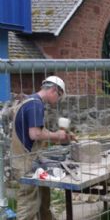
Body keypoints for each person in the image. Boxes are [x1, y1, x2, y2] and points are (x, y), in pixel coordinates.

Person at [11, 76, 73, 220]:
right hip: (25, 162)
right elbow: (35, 134)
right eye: (59, 96)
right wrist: (57, 135)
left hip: (29, 160)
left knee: (43, 202)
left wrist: (56, 136)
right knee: (28, 206)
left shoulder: (29, 101)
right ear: (53, 90)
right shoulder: (35, 105)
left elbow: (36, 132)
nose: (57, 101)